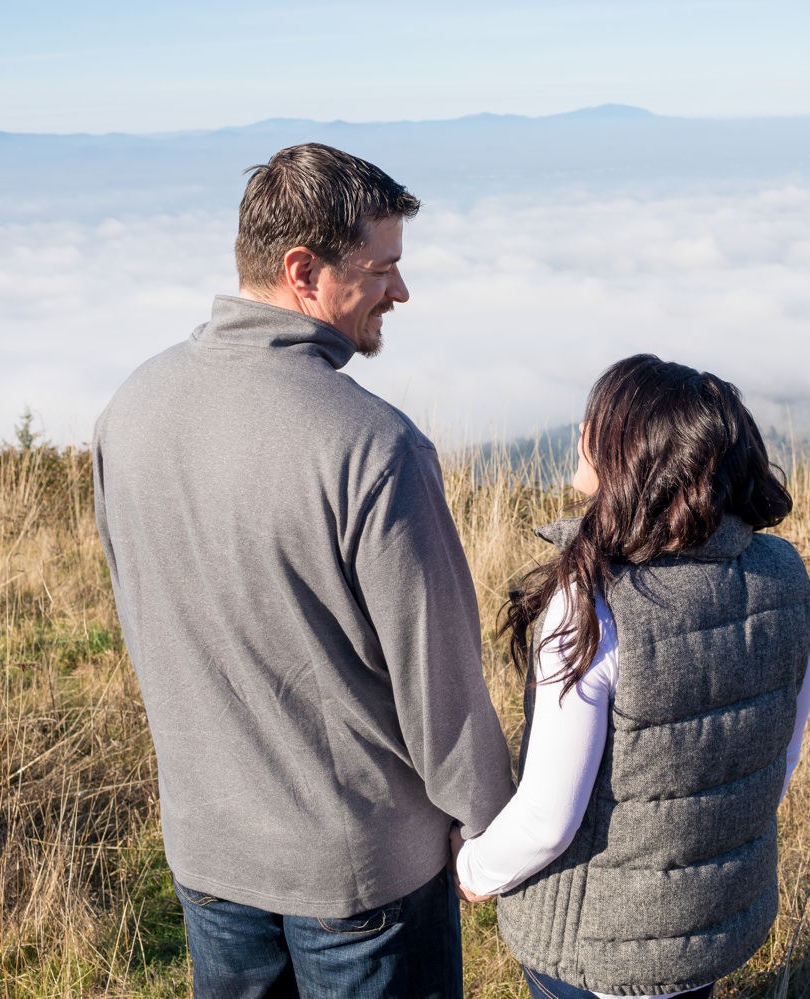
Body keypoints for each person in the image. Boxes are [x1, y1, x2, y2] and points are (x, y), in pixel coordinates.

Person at [93, 143, 513, 999]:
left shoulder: (128, 409)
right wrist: (491, 826)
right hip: (360, 877)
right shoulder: (373, 448)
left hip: (209, 850)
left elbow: (140, 612)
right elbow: (440, 685)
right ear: (303, 271)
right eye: (383, 268)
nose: (400, 291)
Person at [451, 354, 810, 999]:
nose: (583, 431)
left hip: (597, 947)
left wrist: (475, 869)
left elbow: (547, 820)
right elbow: (779, 757)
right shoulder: (784, 574)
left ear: (632, 450)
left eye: (599, 420)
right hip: (709, 927)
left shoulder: (595, 598)